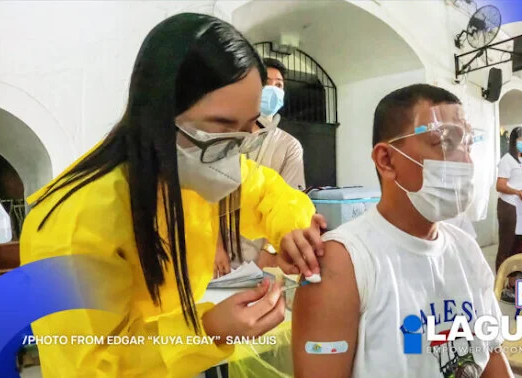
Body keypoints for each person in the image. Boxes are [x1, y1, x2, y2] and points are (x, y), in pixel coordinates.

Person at [19, 14, 325, 377]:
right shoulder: (74, 224)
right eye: (223, 127)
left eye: (248, 128)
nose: (237, 148)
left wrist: (292, 227)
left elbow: (266, 192)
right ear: (160, 113)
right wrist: (207, 330)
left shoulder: (189, 168)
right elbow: (93, 366)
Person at [292, 84, 511, 378]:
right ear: (386, 160)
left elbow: (490, 356)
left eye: (468, 145)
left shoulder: (466, 249)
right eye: (445, 142)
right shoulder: (344, 264)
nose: (465, 161)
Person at [213, 57, 307, 277]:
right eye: (266, 82)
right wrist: (215, 247)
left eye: (279, 85)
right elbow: (209, 199)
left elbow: (291, 203)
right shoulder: (225, 138)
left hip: (264, 258)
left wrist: (270, 250)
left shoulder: (289, 146)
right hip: (218, 255)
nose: (273, 90)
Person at [495, 127, 522, 303]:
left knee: (518, 246)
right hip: (509, 207)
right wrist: (517, 192)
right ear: (514, 141)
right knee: (506, 246)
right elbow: (500, 185)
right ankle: (500, 284)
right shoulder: (507, 160)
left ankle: (512, 281)